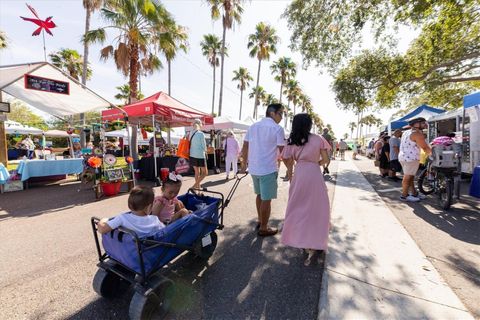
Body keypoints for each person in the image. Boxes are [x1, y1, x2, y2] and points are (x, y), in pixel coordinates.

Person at [281, 113, 331, 266]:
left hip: (300, 173)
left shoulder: (291, 141)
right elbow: (326, 160)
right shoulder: (318, 139)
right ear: (309, 125)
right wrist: (315, 162)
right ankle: (316, 241)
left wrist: (290, 170)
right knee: (318, 208)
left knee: (297, 207)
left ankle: (299, 238)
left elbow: (285, 158)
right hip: (314, 174)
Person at [241, 103, 285, 237]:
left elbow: (245, 146)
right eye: (280, 113)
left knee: (260, 195)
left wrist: (243, 165)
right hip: (268, 168)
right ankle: (264, 228)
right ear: (272, 113)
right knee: (267, 199)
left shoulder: (253, 126)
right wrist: (290, 167)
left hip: (254, 168)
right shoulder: (277, 128)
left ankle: (260, 221)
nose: (281, 117)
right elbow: (283, 150)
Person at [97, 185, 165, 237]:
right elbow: (165, 231)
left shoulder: (122, 218)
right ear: (150, 206)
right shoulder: (155, 220)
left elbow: (102, 229)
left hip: (129, 251)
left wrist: (103, 220)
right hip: (148, 250)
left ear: (129, 204)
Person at [398, 117, 432, 202]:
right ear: (416, 124)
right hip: (411, 159)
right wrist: (433, 155)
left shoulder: (406, 132)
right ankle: (404, 196)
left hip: (403, 157)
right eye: (423, 123)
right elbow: (424, 147)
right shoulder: (417, 134)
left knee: (410, 177)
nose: (425, 124)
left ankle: (414, 193)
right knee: (407, 177)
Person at [189, 119, 208, 189]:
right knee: (205, 173)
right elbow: (204, 146)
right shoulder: (201, 134)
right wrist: (206, 151)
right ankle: (194, 186)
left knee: (197, 172)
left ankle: (198, 188)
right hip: (200, 155)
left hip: (192, 155)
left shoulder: (190, 133)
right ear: (200, 125)